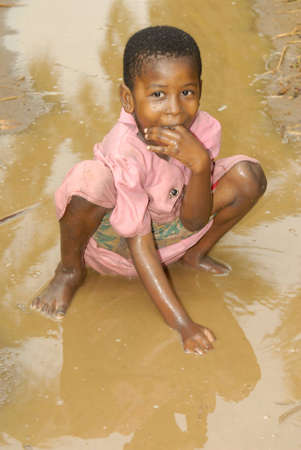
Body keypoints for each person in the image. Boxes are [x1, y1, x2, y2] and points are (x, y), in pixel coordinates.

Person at [31, 26, 267, 355]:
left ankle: (193, 256)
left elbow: (195, 221)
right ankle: (69, 270)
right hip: (116, 249)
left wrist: (200, 166)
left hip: (173, 234)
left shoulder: (205, 128)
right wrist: (181, 323)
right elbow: (140, 245)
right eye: (158, 94)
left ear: (200, 89)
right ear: (128, 98)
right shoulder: (125, 150)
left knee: (248, 175)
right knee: (89, 180)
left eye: (187, 92)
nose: (175, 108)